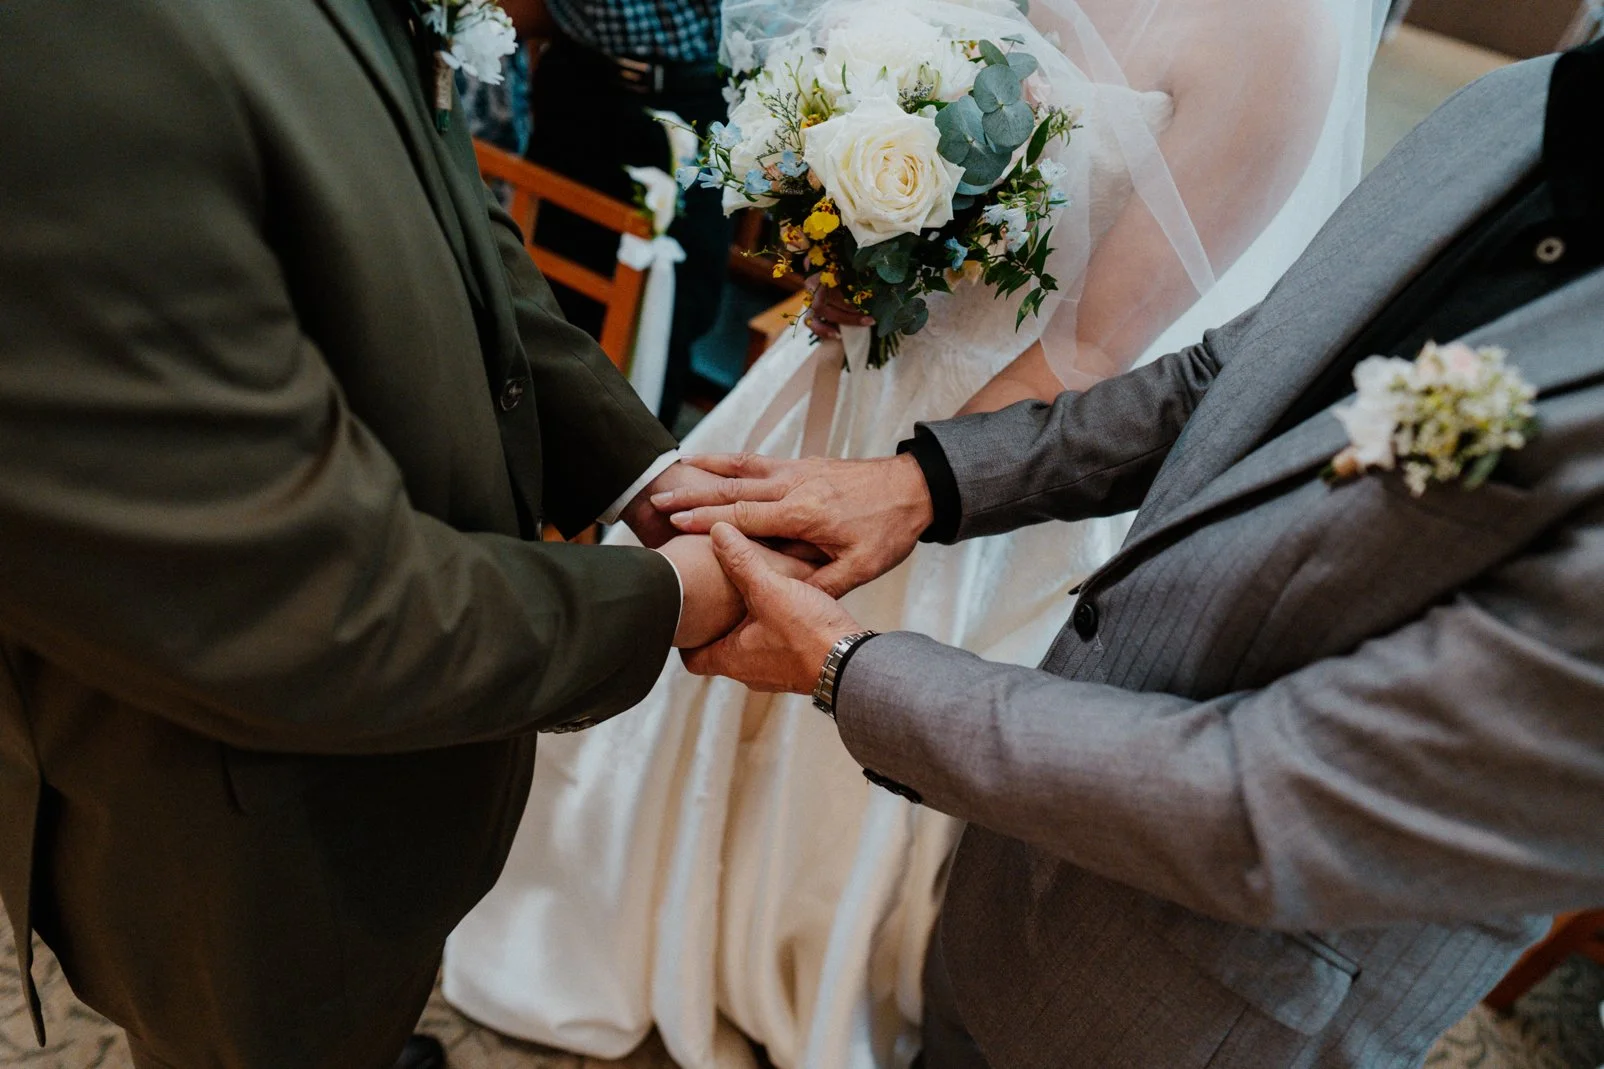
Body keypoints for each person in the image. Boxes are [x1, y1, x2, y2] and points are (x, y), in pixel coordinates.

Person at [440, 1, 1385, 1066]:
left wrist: (901, 480)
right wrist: (838, 246)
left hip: (1011, 459)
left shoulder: (1284, 35)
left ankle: (794, 965)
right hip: (844, 373)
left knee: (853, 701)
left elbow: (1098, 351)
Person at [668, 38, 1604, 1069]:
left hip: (1211, 1004)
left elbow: (1264, 800)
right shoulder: (1522, 106)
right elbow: (1233, 373)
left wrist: (847, 665)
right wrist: (928, 480)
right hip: (1020, 872)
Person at [0, 1, 789, 1066]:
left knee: (367, 1000)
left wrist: (638, 471)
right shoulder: (71, 48)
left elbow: (455, 219)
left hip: (419, 735)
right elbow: (305, 602)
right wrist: (666, 599)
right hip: (247, 814)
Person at [506, 0, 732, 431]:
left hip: (692, 98)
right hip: (582, 86)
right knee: (540, 291)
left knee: (673, 313)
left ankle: (635, 467)